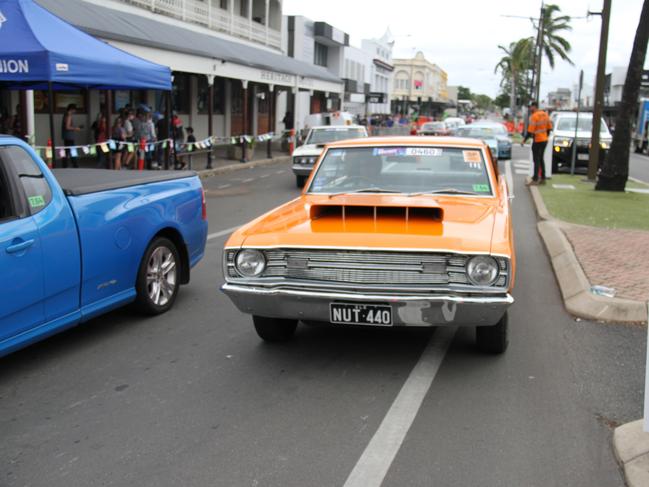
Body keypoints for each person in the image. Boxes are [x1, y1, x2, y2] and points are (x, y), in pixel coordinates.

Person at [522, 101, 552, 185]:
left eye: (530, 107)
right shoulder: (545, 114)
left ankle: (535, 178)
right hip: (544, 140)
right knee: (541, 158)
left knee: (536, 160)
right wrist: (546, 137)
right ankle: (543, 178)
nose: (529, 108)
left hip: (538, 140)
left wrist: (524, 140)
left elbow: (530, 131)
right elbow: (549, 128)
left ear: (534, 107)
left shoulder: (534, 116)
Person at [61, 104, 82, 168]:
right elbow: (67, 127)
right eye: (74, 110)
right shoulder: (69, 115)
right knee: (72, 151)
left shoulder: (65, 115)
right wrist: (76, 128)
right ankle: (75, 165)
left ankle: (65, 165)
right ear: (72, 109)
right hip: (69, 136)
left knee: (67, 151)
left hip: (66, 136)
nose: (75, 111)